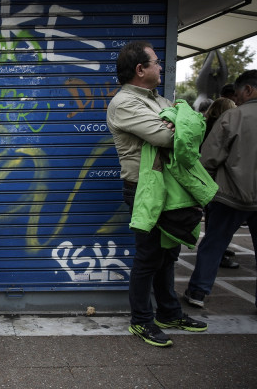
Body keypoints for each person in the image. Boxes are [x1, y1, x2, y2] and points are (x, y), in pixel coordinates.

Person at [106, 41, 207, 347]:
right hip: (144, 189)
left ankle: (169, 312)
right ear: (140, 69)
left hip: (169, 187)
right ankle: (141, 321)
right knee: (149, 257)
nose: (161, 67)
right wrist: (179, 120)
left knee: (168, 254)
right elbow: (168, 135)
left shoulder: (157, 99)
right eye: (156, 62)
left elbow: (194, 125)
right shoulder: (125, 103)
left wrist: (182, 120)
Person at [184, 70, 257, 308]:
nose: (236, 100)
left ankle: (198, 292)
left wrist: (205, 193)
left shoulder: (233, 117)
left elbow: (208, 160)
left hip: (229, 196)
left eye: (237, 94)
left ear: (248, 90)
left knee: (214, 245)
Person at [201, 98, 240, 269]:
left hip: (210, 181)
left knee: (214, 223)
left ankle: (219, 252)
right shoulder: (223, 126)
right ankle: (221, 255)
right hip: (222, 183)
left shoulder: (206, 124)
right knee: (218, 228)